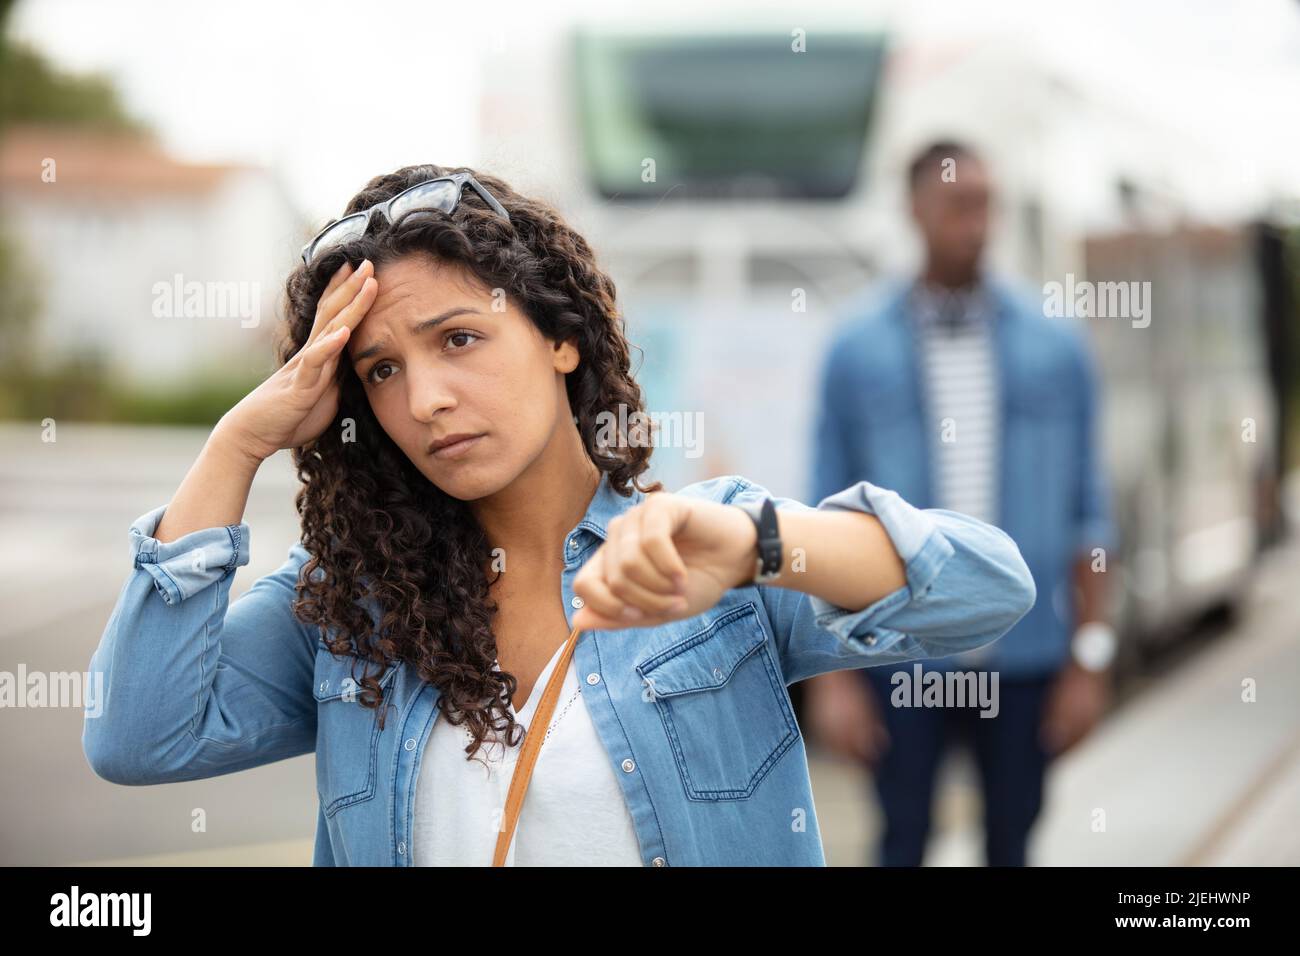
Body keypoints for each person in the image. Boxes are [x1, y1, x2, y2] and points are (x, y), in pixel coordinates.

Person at [82, 163, 1036, 866]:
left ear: (562, 340)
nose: (426, 401)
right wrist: (238, 444)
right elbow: (138, 736)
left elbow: (988, 590)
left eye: (459, 339)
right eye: (381, 371)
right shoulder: (350, 611)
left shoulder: (699, 553)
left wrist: (760, 547)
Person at [804, 141, 1117, 867]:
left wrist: (1091, 660)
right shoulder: (855, 349)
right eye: (956, 205)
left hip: (1027, 656)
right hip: (899, 653)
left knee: (1013, 841)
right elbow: (818, 520)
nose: (975, 224)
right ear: (915, 210)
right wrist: (834, 683)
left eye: (984, 205)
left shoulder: (1056, 345)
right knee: (901, 840)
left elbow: (1091, 511)